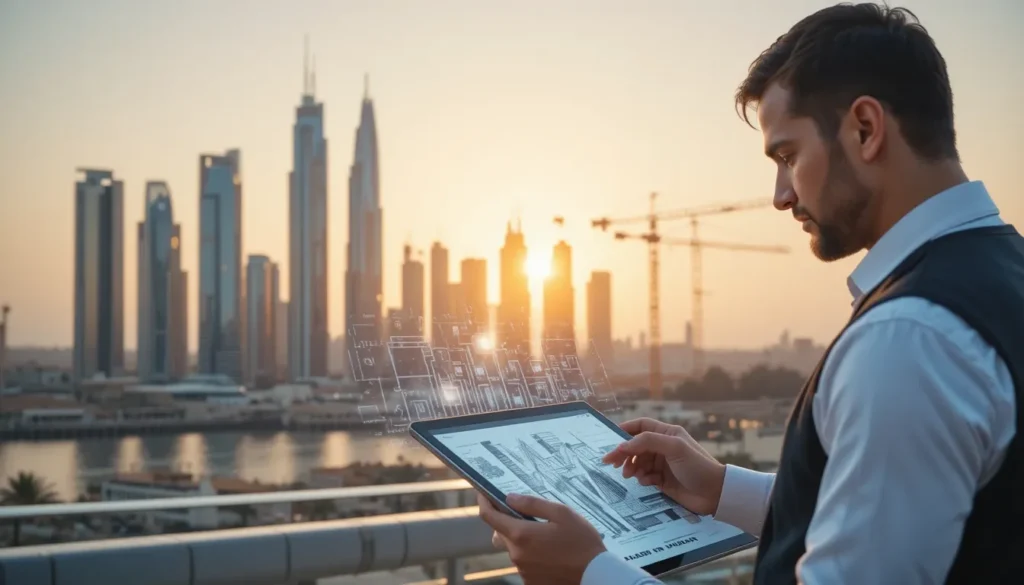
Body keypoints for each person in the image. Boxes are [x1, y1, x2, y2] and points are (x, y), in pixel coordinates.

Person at [477, 3, 1023, 584]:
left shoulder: (909, 339)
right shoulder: (997, 276)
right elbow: (909, 516)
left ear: (866, 129)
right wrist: (720, 488)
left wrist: (589, 573)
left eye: (789, 156)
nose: (781, 195)